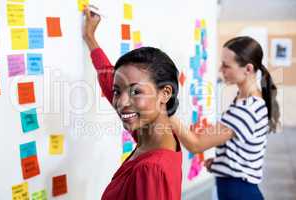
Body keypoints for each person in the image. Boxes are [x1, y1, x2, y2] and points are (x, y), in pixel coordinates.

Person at [83, 7, 182, 200]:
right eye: (117, 92)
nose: (121, 102)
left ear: (165, 93)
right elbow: (108, 79)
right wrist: (90, 37)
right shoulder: (154, 134)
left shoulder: (150, 169)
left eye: (136, 91)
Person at [170, 36, 280, 200]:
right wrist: (222, 163)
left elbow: (196, 145)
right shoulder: (248, 100)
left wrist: (167, 114)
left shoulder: (245, 109)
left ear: (248, 69)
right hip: (237, 188)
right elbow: (245, 146)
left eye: (226, 66)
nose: (221, 70)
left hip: (240, 192)